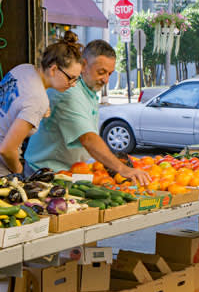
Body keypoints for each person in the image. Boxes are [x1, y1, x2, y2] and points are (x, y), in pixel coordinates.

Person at [24, 39, 151, 186]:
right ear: (83, 65)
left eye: (110, 73)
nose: (106, 80)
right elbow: (88, 139)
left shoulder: (87, 89)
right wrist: (123, 169)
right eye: (101, 72)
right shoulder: (69, 92)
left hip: (70, 170)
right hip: (46, 172)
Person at [0, 31, 83, 176]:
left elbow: (14, 102)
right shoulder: (38, 99)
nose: (73, 84)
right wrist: (20, 173)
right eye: (71, 78)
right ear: (54, 69)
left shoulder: (24, 69)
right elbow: (7, 150)